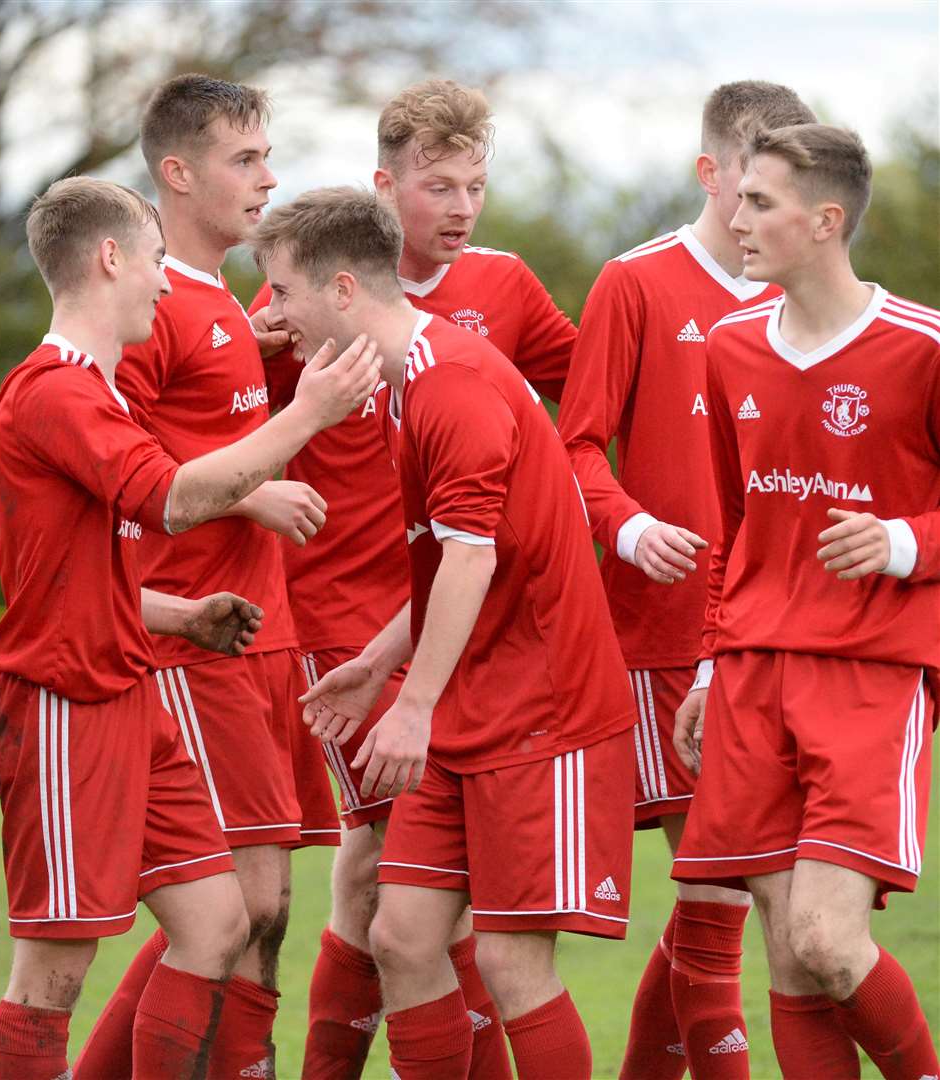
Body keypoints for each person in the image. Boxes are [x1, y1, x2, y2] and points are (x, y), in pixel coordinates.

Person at [0, 176, 379, 1079]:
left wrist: (181, 613)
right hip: (62, 707)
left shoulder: (106, 394)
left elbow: (82, 575)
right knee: (54, 967)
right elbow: (171, 499)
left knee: (218, 924)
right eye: (156, 261)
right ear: (110, 258)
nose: (166, 285)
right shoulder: (53, 391)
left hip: (132, 693)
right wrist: (304, 416)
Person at [261, 187, 637, 1080]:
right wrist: (374, 666)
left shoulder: (453, 387)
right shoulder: (403, 387)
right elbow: (450, 562)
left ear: (342, 289)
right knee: (400, 936)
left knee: (511, 963)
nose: (271, 318)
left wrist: (412, 707)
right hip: (468, 708)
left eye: (280, 293)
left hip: (543, 713)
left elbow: (472, 563)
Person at [72, 74, 340, 1079]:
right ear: (176, 174)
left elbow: (201, 431)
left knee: (260, 911)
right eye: (246, 160)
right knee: (229, 909)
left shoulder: (226, 303)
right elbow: (116, 475)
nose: (268, 179)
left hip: (261, 632)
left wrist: (263, 363)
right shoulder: (140, 311)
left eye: (268, 156)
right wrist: (249, 492)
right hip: (193, 638)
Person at [557, 80, 815, 1079]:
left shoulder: (807, 297)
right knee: (727, 890)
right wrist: (626, 529)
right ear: (709, 172)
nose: (766, 206)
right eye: (752, 181)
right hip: (661, 636)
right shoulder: (635, 282)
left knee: (746, 896)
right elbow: (570, 449)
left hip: (780, 636)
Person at [672, 123, 940, 1080]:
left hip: (873, 671)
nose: (734, 219)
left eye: (758, 202)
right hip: (750, 671)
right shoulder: (731, 347)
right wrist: (709, 663)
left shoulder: (921, 348)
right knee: (788, 954)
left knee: (828, 943)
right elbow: (734, 528)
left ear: (824, 221)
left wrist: (905, 541)